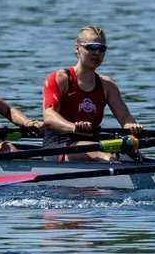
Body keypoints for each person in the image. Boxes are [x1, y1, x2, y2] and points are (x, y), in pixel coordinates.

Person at [40, 26, 143, 161]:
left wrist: (133, 127)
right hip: (58, 145)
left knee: (132, 155)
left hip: (92, 143)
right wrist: (73, 127)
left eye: (101, 48)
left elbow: (126, 119)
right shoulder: (60, 79)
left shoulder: (107, 85)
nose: (97, 53)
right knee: (100, 152)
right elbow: (49, 116)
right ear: (77, 49)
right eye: (92, 47)